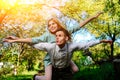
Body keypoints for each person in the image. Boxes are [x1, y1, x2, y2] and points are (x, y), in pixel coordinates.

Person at [4, 12, 103, 80]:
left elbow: (80, 25)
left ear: (57, 24)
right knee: (48, 79)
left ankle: (62, 74)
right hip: (50, 59)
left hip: (64, 56)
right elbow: (32, 40)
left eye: (53, 23)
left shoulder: (65, 31)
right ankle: (36, 77)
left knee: (76, 70)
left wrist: (93, 17)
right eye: (49, 25)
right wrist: (16, 39)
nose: (51, 26)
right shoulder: (46, 36)